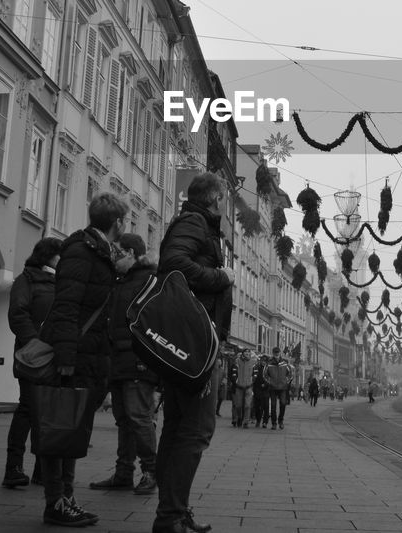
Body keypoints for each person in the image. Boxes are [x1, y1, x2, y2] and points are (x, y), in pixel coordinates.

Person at [33, 191, 126, 527]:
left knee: (72, 429)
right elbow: (67, 306)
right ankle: (56, 502)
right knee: (61, 428)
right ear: (117, 222)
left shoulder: (99, 252)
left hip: (90, 354)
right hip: (75, 355)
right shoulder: (82, 251)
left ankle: (66, 499)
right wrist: (66, 356)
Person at [153, 172, 235, 533]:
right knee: (197, 429)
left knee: (178, 426)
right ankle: (171, 515)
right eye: (225, 200)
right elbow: (173, 264)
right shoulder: (194, 222)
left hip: (192, 341)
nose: (227, 207)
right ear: (215, 199)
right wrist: (222, 278)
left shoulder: (197, 223)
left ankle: (172, 512)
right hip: (194, 343)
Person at [89, 232, 159, 497]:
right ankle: (123, 473)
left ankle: (151, 471)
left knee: (139, 417)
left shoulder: (150, 281)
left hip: (139, 359)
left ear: (130, 253)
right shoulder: (123, 280)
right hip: (118, 358)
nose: (113, 257)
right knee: (124, 419)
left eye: (117, 252)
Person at [2, 237, 62, 489]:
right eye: (60, 255)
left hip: (56, 357)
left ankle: (42, 470)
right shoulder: (26, 279)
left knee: (48, 413)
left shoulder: (61, 282)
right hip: (32, 357)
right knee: (27, 409)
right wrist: (35, 344)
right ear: (48, 256)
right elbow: (18, 314)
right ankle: (13, 468)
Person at [229, 348, 255, 426]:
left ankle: (246, 421)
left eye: (248, 352)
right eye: (246, 352)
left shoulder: (253, 362)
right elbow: (233, 373)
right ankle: (239, 417)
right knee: (238, 405)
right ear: (243, 353)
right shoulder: (237, 361)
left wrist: (251, 381)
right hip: (239, 386)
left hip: (248, 386)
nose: (247, 353)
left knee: (247, 405)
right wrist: (236, 381)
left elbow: (255, 374)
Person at [265, 347, 289, 428]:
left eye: (278, 352)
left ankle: (281, 420)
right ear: (273, 353)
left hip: (283, 387)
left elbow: (290, 374)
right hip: (272, 387)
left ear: (280, 352)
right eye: (275, 352)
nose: (276, 353)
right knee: (273, 406)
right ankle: (274, 423)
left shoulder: (285, 362)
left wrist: (286, 381)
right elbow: (265, 374)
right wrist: (270, 382)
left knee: (283, 404)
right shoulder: (269, 363)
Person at [251, 353, 269, 427]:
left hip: (266, 389)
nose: (263, 362)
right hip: (257, 389)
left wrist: (265, 384)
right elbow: (252, 376)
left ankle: (265, 422)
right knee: (257, 406)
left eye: (265, 361)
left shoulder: (268, 369)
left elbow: (270, 378)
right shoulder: (256, 367)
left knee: (266, 406)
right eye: (262, 360)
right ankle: (258, 420)